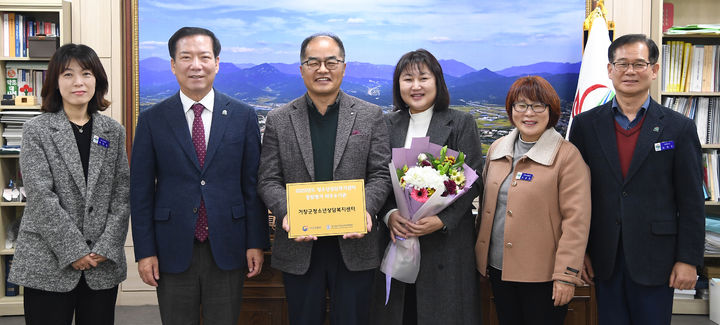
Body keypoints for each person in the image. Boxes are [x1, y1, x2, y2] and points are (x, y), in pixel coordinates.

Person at [130, 27, 269, 324]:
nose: (196, 65)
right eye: (186, 57)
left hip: (229, 245)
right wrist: (145, 252)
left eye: (204, 57)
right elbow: (140, 193)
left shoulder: (243, 116)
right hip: (172, 247)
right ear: (173, 64)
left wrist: (255, 242)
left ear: (217, 63)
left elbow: (252, 186)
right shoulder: (153, 120)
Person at [568, 34, 704, 325]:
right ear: (609, 70)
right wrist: (579, 252)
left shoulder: (679, 128)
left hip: (658, 258)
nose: (630, 71)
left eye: (639, 64)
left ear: (654, 70)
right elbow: (575, 198)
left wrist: (689, 259)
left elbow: (692, 200)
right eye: (622, 64)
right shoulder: (585, 126)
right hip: (604, 257)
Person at [257, 32, 391, 325]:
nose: (322, 70)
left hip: (356, 245)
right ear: (301, 68)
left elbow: (381, 174)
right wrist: (287, 211)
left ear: (344, 66)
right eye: (313, 62)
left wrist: (365, 209)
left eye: (331, 62)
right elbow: (268, 179)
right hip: (300, 245)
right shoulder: (279, 119)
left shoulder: (370, 115)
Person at [7, 43, 129, 325]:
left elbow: (121, 194)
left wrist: (105, 247)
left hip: (101, 261)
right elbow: (40, 195)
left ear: (96, 79)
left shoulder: (113, 131)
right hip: (48, 260)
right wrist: (74, 250)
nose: (78, 82)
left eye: (86, 73)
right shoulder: (37, 130)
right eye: (68, 75)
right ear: (55, 82)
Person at [369, 49, 482, 325]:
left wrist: (441, 220)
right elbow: (377, 177)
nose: (416, 86)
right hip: (397, 240)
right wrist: (389, 214)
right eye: (407, 79)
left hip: (445, 245)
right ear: (398, 85)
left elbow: (474, 179)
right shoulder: (386, 124)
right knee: (401, 313)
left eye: (423, 78)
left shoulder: (460, 122)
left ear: (437, 82)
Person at [475, 76, 591, 325]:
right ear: (511, 109)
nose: (529, 113)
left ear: (551, 111)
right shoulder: (497, 149)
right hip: (498, 269)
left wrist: (565, 276)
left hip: (545, 276)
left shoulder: (567, 157)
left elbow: (576, 223)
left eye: (538, 106)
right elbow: (488, 208)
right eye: (521, 105)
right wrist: (481, 257)